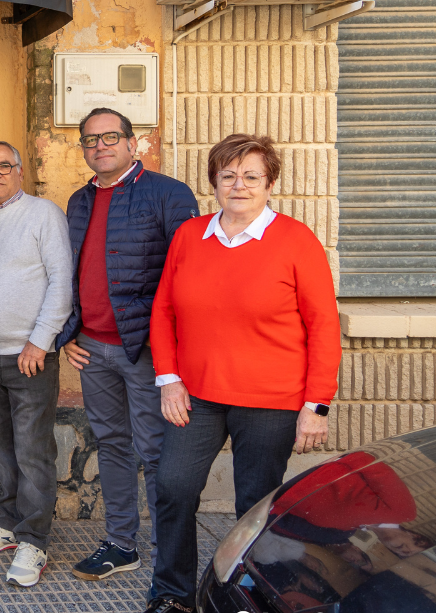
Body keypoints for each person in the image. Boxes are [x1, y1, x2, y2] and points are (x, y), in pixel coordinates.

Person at [143, 133, 341, 613]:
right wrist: (168, 379)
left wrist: (316, 404)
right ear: (214, 182)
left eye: (251, 176)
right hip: (197, 394)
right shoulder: (191, 236)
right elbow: (163, 310)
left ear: (270, 183)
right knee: (173, 487)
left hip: (270, 400)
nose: (239, 185)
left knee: (254, 505)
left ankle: (249, 595)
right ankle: (173, 594)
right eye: (228, 175)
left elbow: (323, 325)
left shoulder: (297, 241)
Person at [56, 108, 198, 582]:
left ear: (132, 143)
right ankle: (120, 544)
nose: (100, 146)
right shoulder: (78, 201)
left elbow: (186, 276)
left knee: (156, 451)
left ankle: (169, 556)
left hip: (145, 350)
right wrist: (67, 335)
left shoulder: (168, 194)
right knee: (112, 445)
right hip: (92, 349)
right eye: (90, 139)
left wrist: (172, 353)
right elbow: (72, 275)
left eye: (110, 136)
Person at [0, 140, 73, 587]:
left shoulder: (44, 214)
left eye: (5, 165)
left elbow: (62, 282)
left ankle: (34, 541)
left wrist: (40, 343)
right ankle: (8, 524)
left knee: (33, 450)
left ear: (20, 171)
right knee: (0, 444)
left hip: (29, 359)